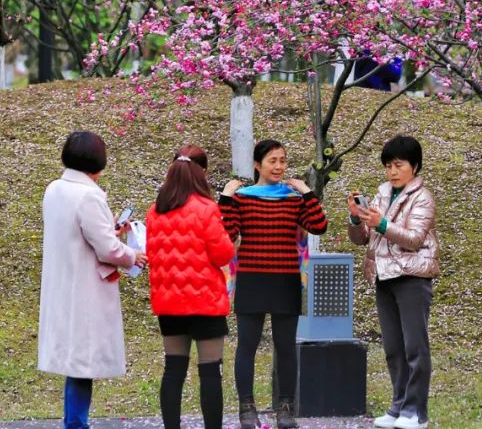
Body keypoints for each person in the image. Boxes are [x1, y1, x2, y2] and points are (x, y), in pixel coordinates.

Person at [38, 131, 147, 429]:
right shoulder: (89, 196)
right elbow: (107, 249)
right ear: (98, 161)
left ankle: (74, 423)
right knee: (82, 365)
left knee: (76, 363)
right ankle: (76, 424)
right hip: (85, 290)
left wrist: (110, 229)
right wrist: (132, 255)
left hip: (64, 284)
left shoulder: (55, 189)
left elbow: (80, 235)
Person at [219, 139, 328, 429]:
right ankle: (247, 408)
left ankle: (286, 408)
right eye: (272, 161)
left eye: (282, 160)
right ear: (258, 165)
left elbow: (319, 225)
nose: (279, 166)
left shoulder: (293, 199)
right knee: (247, 347)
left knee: (285, 348)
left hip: (285, 280)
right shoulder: (243, 198)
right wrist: (226, 197)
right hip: (252, 279)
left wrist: (306, 191)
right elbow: (226, 232)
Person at [347, 135, 439, 429]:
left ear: (414, 166)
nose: (393, 172)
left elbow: (414, 239)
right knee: (393, 348)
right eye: (388, 166)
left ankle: (416, 412)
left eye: (399, 165)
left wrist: (382, 224)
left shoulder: (422, 197)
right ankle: (398, 406)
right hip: (384, 276)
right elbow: (362, 239)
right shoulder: (383, 194)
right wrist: (356, 220)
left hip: (411, 277)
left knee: (415, 346)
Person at [145, 145, 235, 429]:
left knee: (173, 369)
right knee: (210, 372)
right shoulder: (207, 209)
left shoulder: (155, 212)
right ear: (202, 174)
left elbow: (152, 253)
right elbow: (222, 255)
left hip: (169, 303)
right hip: (205, 303)